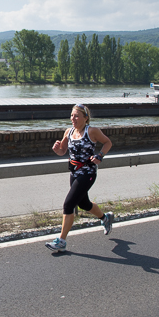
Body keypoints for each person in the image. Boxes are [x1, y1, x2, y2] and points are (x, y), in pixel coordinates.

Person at [46, 104, 114, 252]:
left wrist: (100, 155)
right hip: (74, 173)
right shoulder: (69, 132)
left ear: (85, 118)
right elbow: (62, 151)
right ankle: (106, 218)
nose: (73, 118)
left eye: (77, 116)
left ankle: (61, 241)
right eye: (72, 115)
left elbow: (108, 142)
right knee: (84, 204)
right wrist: (57, 149)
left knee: (68, 204)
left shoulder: (92, 131)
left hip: (88, 173)